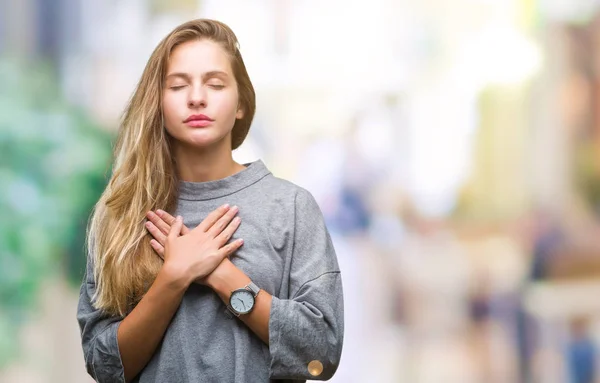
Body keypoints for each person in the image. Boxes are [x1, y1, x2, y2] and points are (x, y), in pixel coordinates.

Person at [77, 19, 344, 383]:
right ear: (158, 101)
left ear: (240, 104)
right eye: (178, 85)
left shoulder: (292, 207)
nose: (197, 97)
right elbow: (103, 366)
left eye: (215, 84)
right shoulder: (121, 214)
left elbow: (321, 353)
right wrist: (173, 278)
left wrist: (222, 275)